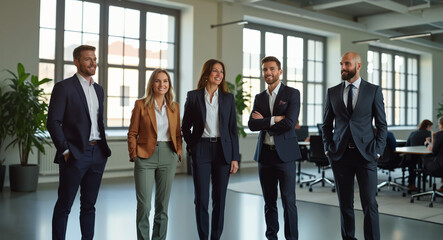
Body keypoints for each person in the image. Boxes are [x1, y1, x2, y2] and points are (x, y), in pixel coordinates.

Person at [47, 45, 112, 240]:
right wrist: (65, 150)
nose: (93, 63)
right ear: (76, 62)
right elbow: (53, 122)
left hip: (97, 153)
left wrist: (101, 152)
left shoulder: (98, 90)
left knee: (89, 205)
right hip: (75, 154)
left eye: (94, 58)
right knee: (64, 205)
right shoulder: (64, 87)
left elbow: (97, 122)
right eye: (87, 59)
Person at [322, 52, 387, 240]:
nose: (343, 68)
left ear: (358, 66)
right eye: (341, 64)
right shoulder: (332, 92)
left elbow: (382, 124)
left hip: (366, 155)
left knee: (370, 204)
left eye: (347, 64)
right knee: (345, 204)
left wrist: (378, 151)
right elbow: (326, 125)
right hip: (340, 155)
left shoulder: (373, 90)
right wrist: (328, 147)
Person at [181, 59, 240, 240]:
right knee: (201, 199)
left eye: (221, 72)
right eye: (215, 71)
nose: (219, 75)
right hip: (202, 150)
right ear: (207, 74)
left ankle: (215, 237)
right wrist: (193, 145)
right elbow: (185, 126)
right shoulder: (193, 96)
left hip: (223, 150)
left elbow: (232, 129)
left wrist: (235, 157)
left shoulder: (228, 99)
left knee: (220, 199)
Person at [248, 56, 301, 240]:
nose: (268, 73)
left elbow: (289, 123)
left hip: (284, 156)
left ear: (280, 71)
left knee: (288, 201)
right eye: (264, 70)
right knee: (269, 202)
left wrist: (263, 122)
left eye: (272, 69)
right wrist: (273, 119)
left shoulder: (292, 94)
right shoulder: (259, 97)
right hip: (265, 156)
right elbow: (251, 125)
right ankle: (271, 237)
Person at [127, 69, 182, 240]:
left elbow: (178, 133)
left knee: (162, 206)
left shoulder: (174, 107)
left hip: (168, 155)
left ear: (169, 85)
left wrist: (178, 152)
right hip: (145, 157)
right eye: (158, 81)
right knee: (144, 206)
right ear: (152, 84)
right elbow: (132, 132)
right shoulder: (141, 104)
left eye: (165, 81)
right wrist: (133, 153)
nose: (162, 84)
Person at [405, 119, 433, 191]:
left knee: (412, 165)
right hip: (423, 157)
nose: (431, 129)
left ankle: (411, 184)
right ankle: (424, 179)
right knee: (427, 161)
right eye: (431, 127)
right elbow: (431, 146)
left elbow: (407, 145)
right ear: (427, 126)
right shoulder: (428, 133)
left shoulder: (413, 133)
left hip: (411, 156)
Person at [424, 117, 443, 191]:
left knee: (425, 157)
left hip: (439, 167)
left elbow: (434, 152)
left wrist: (427, 144)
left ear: (441, 125)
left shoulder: (439, 134)